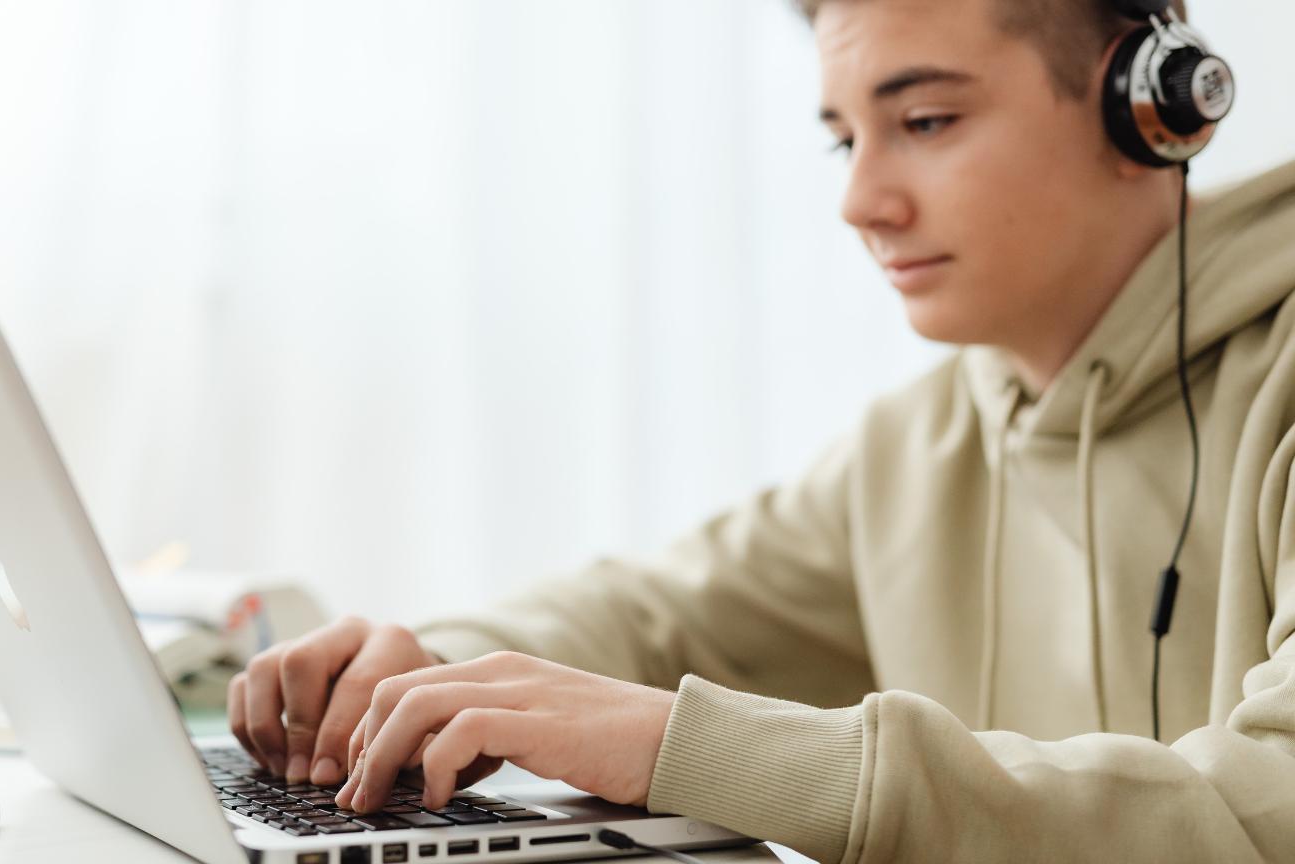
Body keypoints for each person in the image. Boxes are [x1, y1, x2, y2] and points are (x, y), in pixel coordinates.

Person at [228, 0, 1295, 859]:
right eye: (843, 141)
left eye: (924, 122)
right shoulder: (920, 441)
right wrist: (433, 673)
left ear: (1153, 106)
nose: (862, 200)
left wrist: (683, 747)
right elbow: (660, 613)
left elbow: (1273, 807)